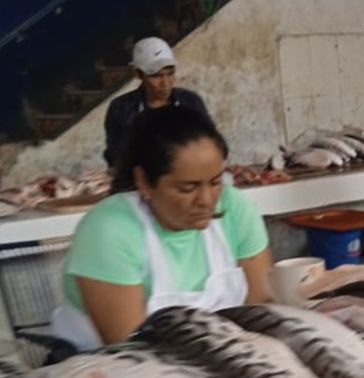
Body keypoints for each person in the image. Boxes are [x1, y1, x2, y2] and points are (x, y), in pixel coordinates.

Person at [53, 106, 272, 350]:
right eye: (188, 188)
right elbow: (130, 348)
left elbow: (261, 312)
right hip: (113, 371)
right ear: (144, 182)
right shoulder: (109, 230)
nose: (207, 199)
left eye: (215, 182)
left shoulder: (235, 209)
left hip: (219, 361)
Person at [103, 37, 210, 167]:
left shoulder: (190, 102)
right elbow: (116, 157)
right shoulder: (121, 109)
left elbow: (213, 144)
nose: (165, 83)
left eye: (170, 74)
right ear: (138, 74)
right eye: (156, 76)